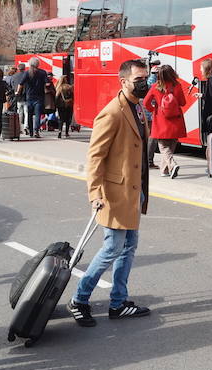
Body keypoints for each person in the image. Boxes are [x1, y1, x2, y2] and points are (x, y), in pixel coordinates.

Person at [70, 58, 152, 326]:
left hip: (133, 191)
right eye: (139, 80)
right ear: (124, 81)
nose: (144, 83)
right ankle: (79, 299)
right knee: (112, 248)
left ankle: (118, 302)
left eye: (146, 78)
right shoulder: (112, 112)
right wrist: (95, 194)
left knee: (128, 247)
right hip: (114, 194)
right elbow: (95, 157)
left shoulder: (137, 107)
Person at [143, 64, 187, 178]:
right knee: (171, 144)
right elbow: (183, 102)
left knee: (163, 146)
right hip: (176, 119)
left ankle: (172, 164)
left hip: (161, 119)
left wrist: (154, 110)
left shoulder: (155, 86)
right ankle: (165, 171)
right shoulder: (177, 85)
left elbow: (146, 103)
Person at [19, 59, 48, 138]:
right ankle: (36, 131)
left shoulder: (27, 73)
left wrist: (18, 92)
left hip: (29, 97)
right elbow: (47, 83)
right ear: (38, 64)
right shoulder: (43, 72)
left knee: (29, 115)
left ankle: (31, 132)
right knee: (38, 115)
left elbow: (21, 83)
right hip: (39, 97)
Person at [56, 73, 76, 138]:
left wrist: (55, 104)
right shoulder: (69, 87)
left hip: (60, 105)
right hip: (69, 105)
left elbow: (56, 97)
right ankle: (66, 132)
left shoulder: (59, 87)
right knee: (68, 119)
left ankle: (60, 131)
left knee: (61, 119)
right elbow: (73, 96)